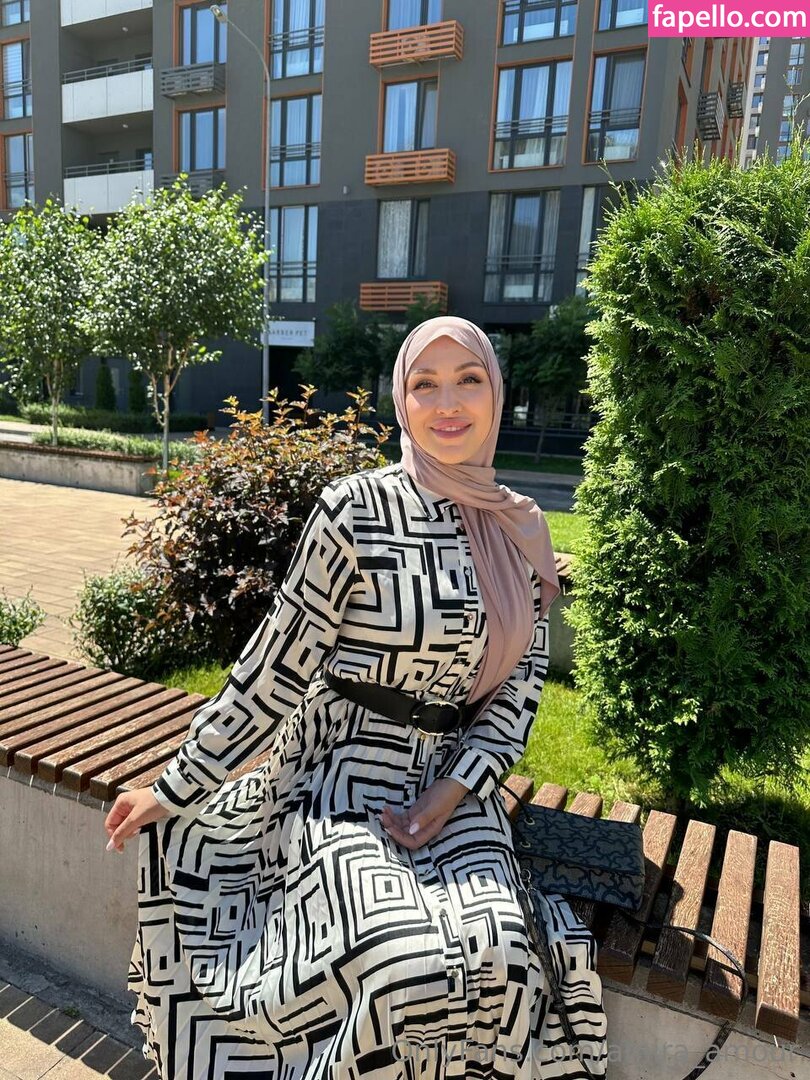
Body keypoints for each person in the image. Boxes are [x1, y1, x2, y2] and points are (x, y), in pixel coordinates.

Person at [103, 315, 609, 1079]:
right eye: (424, 384)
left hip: (453, 783)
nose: (448, 404)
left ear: (496, 394)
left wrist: (452, 792)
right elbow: (273, 667)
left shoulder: (520, 529)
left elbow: (517, 698)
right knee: (404, 960)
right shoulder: (355, 510)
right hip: (338, 773)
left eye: (468, 380)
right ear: (401, 401)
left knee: (503, 954)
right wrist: (175, 788)